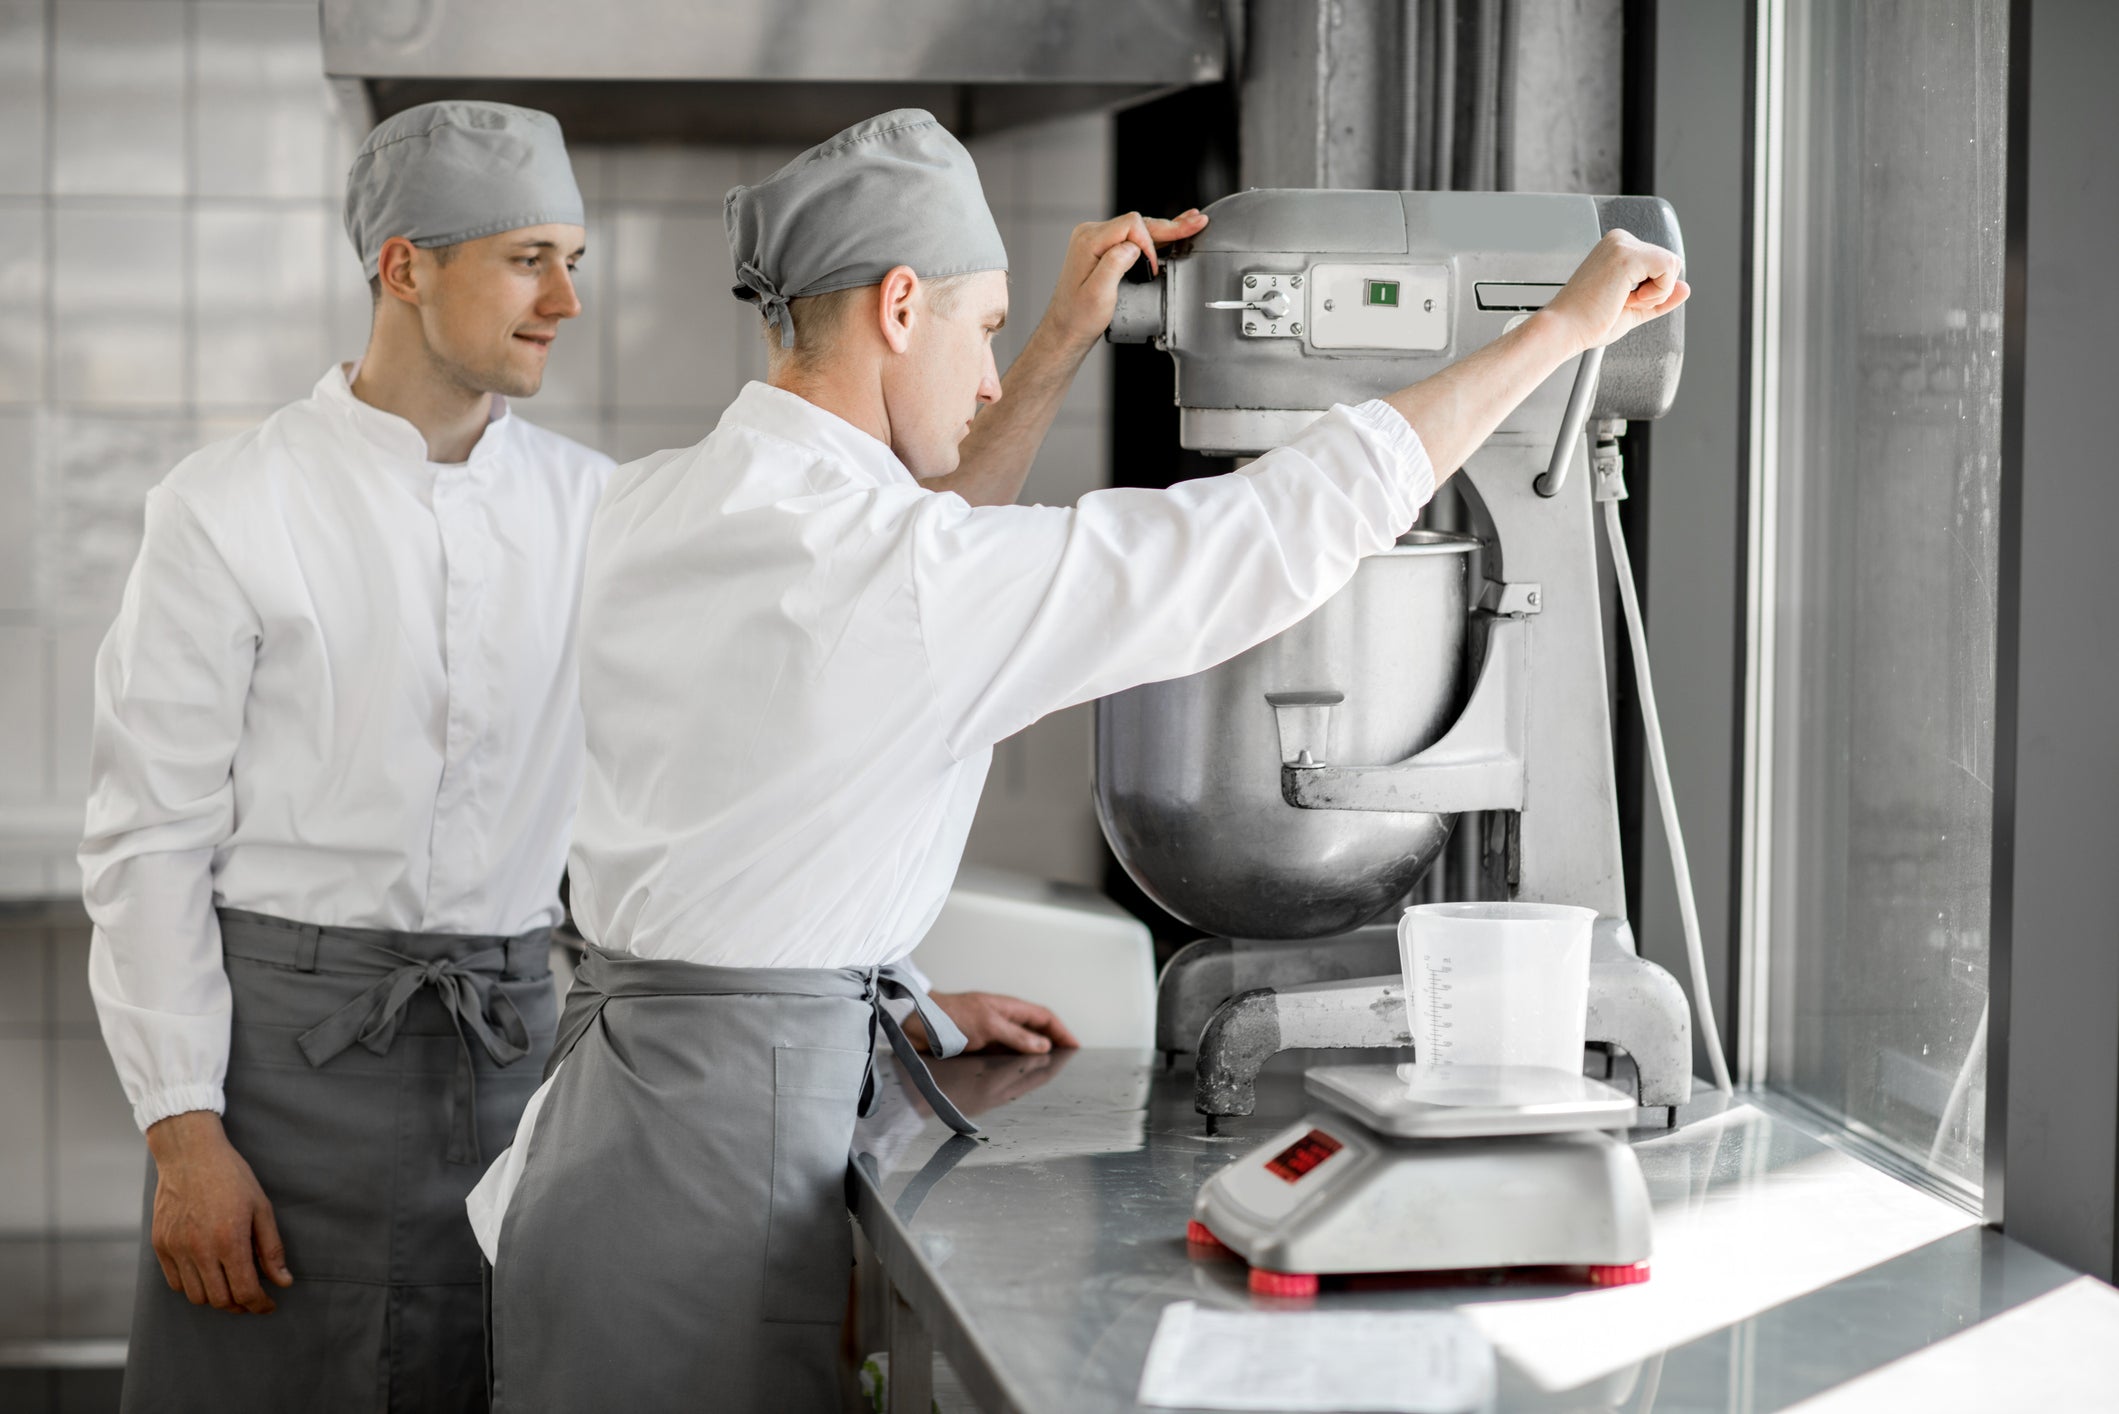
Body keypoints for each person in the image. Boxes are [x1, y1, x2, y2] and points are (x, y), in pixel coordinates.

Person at [474, 108, 1687, 1412]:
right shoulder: (889, 573)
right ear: (898, 306)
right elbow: (1258, 537)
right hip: (713, 1176)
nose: (990, 377)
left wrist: (888, 999)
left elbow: (878, 634)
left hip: (611, 1138)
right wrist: (1554, 335)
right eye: (982, 329)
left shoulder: (658, 500)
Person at [79, 100, 606, 1412]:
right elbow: (149, 836)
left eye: (574, 262)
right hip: (275, 1085)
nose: (565, 303)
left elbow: (720, 769)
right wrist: (185, 1135)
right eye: (529, 258)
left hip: (513, 1077)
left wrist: (907, 982)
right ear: (406, 267)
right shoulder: (225, 507)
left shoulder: (601, 509)